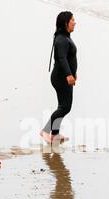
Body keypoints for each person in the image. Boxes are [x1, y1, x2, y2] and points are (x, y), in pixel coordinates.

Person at [41, 11, 78, 144]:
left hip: (63, 77)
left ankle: (55, 134)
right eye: (72, 20)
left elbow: (69, 57)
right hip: (61, 78)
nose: (75, 22)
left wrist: (74, 73)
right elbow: (62, 58)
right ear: (66, 23)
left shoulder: (64, 36)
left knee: (62, 106)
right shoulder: (62, 39)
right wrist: (69, 74)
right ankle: (45, 131)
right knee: (65, 107)